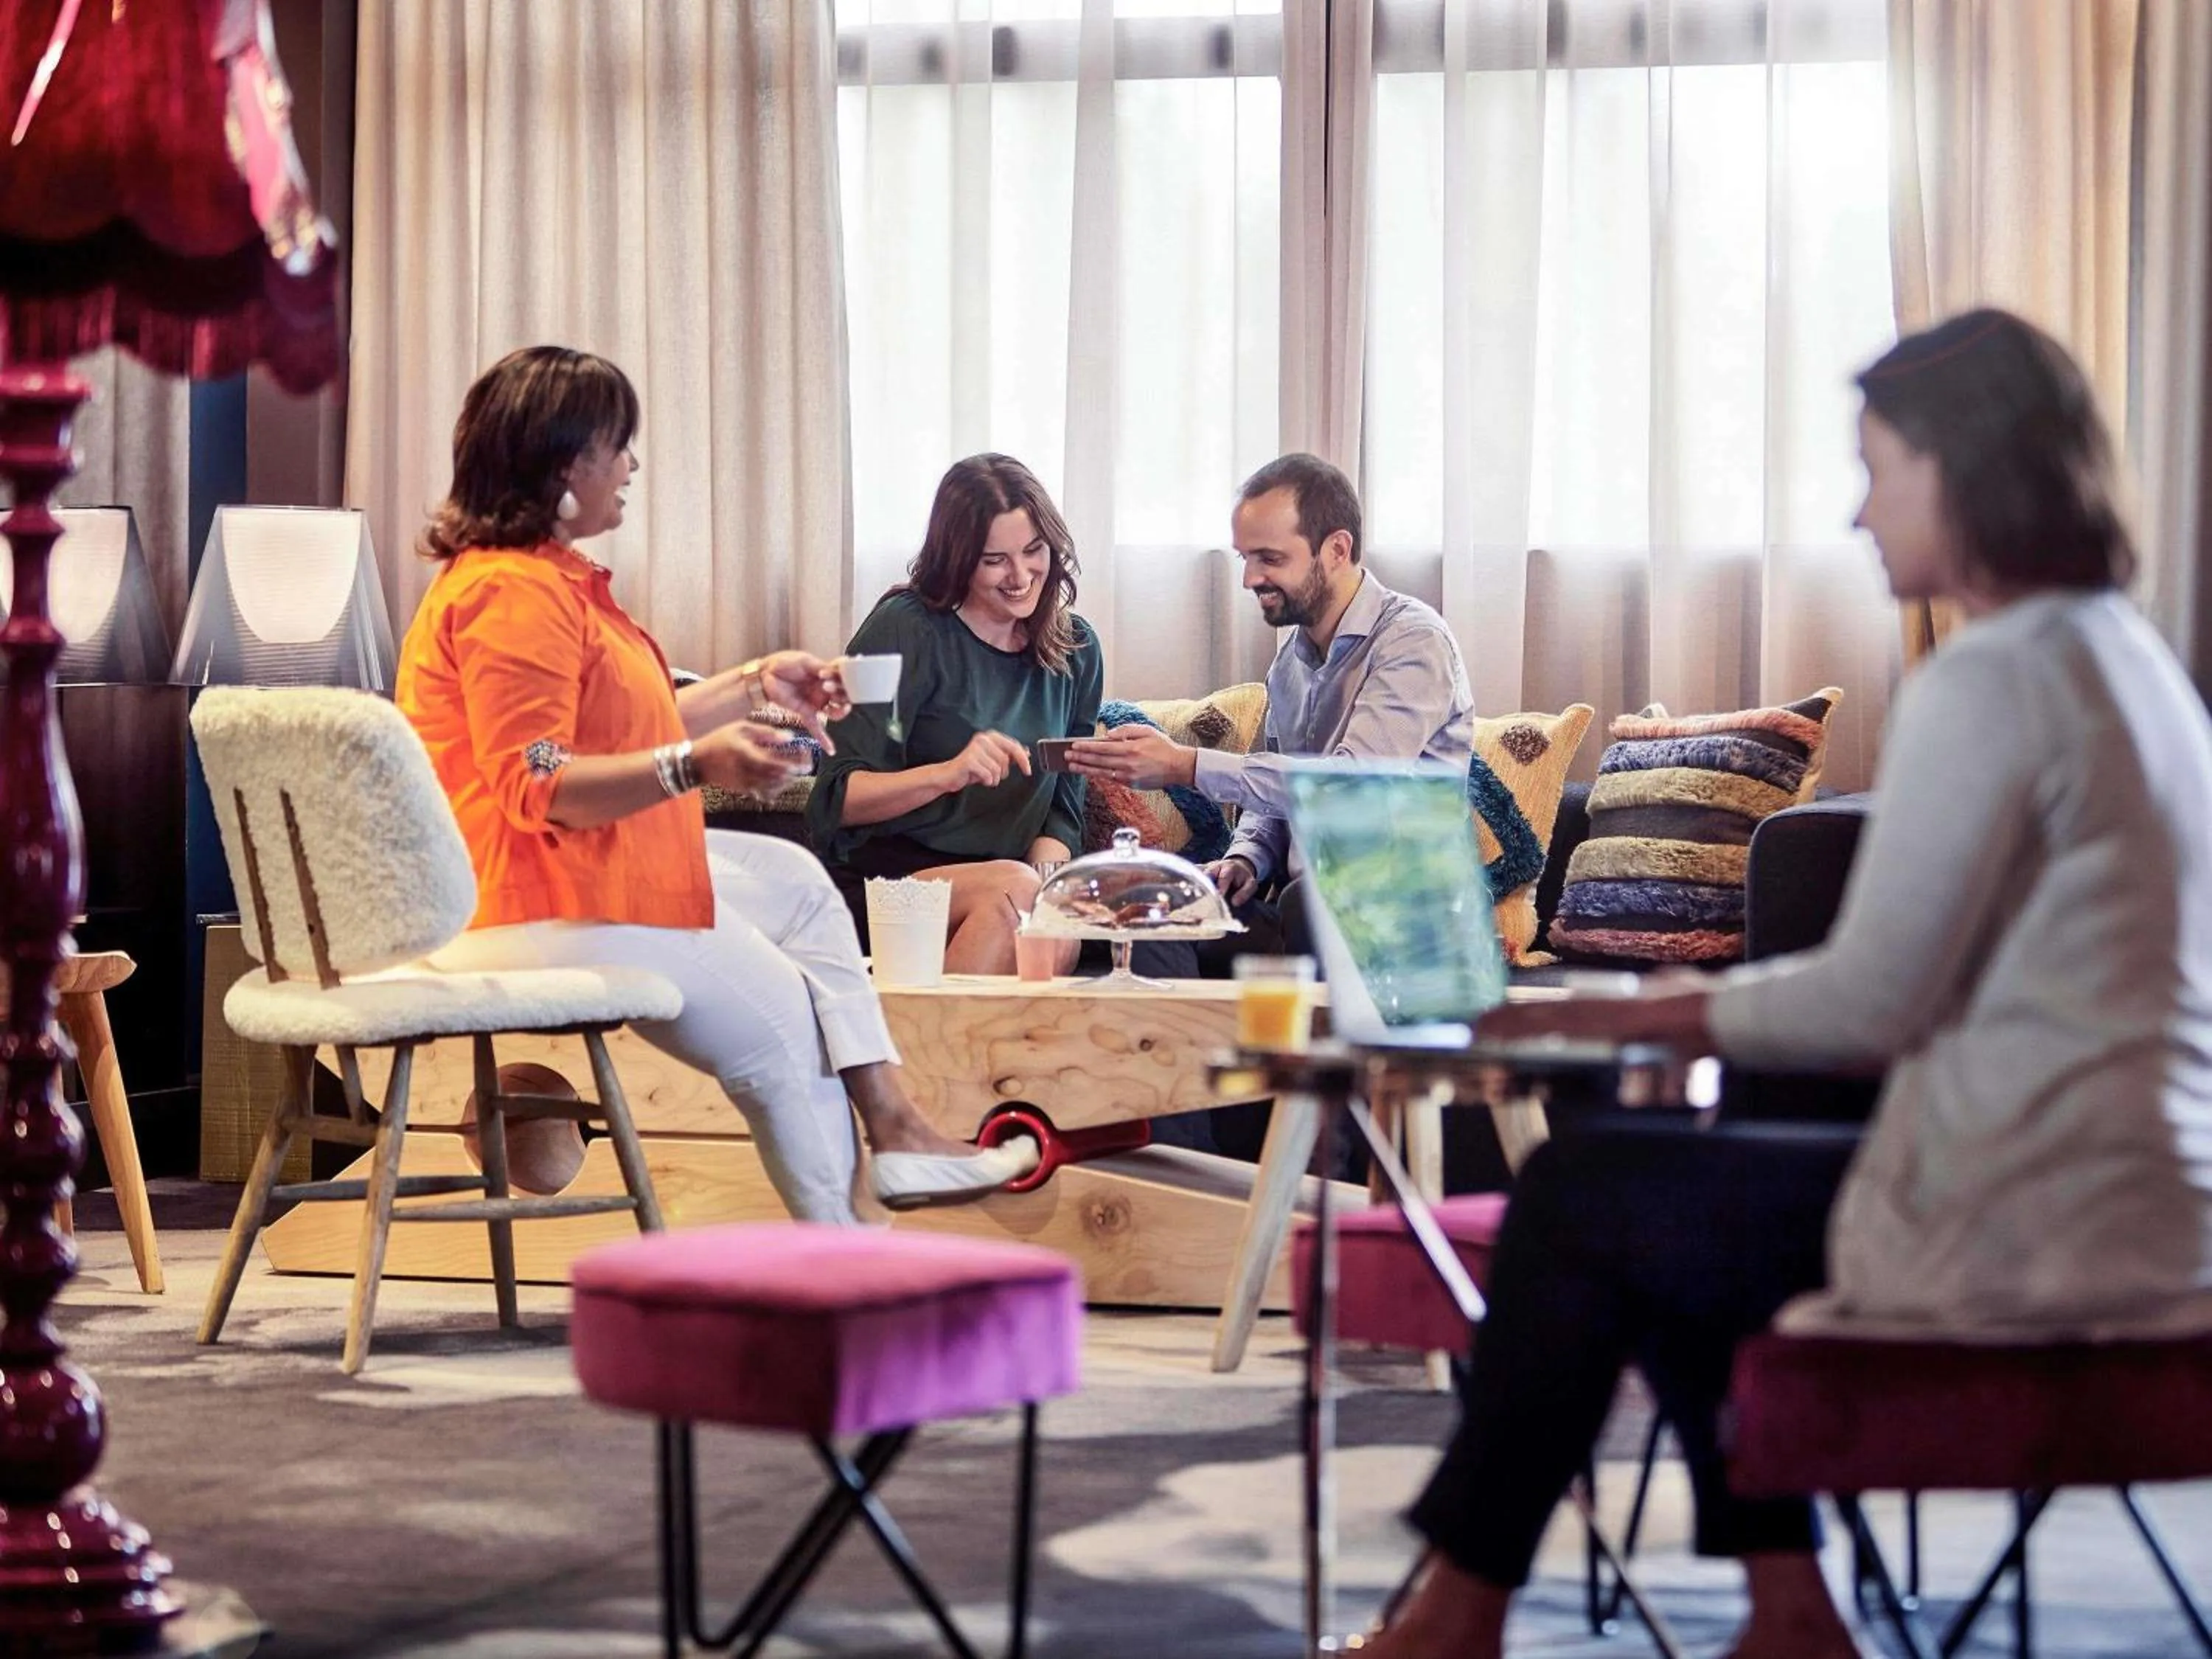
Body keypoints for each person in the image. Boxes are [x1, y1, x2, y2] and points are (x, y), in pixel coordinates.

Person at [1360, 309, 2212, 1659]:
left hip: (2038, 1220)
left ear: (1962, 467)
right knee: (1681, 1192)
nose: (1862, 514)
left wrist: (1637, 1009)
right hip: (2156, 1205)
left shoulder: (1995, 673)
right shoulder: (2129, 660)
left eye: (1878, 469)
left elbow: (1872, 1003)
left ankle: (1458, 1616)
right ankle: (1784, 1609)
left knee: (1591, 1194)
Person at [396, 345, 1034, 1225]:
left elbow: (630, 719)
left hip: (569, 875)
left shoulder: (551, 582)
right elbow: (535, 782)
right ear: (561, 463)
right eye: (618, 445)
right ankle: (847, 1262)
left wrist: (755, 685)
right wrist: (695, 765)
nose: (633, 465)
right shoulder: (512, 592)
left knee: (802, 889)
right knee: (781, 1029)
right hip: (539, 897)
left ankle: (898, 1128)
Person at [1068, 452, 1473, 963]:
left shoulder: (1413, 642)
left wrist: (1185, 764)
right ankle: (1175, 1042)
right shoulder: (1289, 664)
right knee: (1158, 913)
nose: (1250, 579)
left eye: (1270, 559)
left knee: (1317, 900)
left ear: (1336, 550)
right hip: (1302, 908)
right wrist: (1245, 859)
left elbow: (1352, 786)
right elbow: (1274, 799)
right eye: (1246, 559)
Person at [807, 455, 1102, 975]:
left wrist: (1051, 885)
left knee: (1053, 927)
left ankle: (921, 1051)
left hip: (1012, 880)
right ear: (958, 558)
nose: (1021, 576)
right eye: (994, 560)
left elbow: (1064, 801)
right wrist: (947, 775)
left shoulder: (1076, 648)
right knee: (1013, 898)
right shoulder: (901, 630)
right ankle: (915, 1051)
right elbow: (835, 800)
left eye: (1034, 551)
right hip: (890, 882)